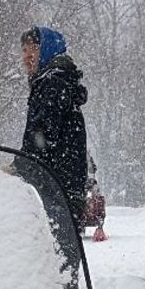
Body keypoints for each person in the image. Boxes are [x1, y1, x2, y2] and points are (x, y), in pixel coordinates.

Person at [15, 26, 89, 272]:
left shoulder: (53, 84)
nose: (27, 56)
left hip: (57, 189)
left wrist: (18, 168)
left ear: (46, 49)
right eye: (23, 50)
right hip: (63, 189)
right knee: (62, 264)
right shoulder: (55, 81)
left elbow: (42, 139)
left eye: (33, 49)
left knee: (57, 267)